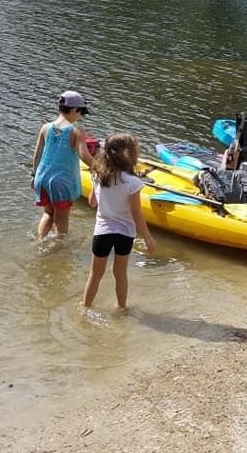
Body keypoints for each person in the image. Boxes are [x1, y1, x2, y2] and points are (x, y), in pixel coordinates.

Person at [83, 133, 155, 310]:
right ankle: (121, 308)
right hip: (124, 233)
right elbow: (136, 212)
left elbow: (92, 203)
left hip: (102, 231)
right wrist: (147, 237)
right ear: (129, 154)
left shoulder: (97, 176)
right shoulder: (132, 182)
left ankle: (85, 307)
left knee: (95, 273)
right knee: (120, 273)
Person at [32, 90, 95, 238]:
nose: (80, 117)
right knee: (62, 220)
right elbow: (84, 155)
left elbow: (37, 155)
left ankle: (40, 242)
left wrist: (34, 175)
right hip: (61, 182)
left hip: (41, 178)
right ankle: (59, 251)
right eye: (81, 113)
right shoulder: (77, 131)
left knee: (48, 213)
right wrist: (101, 168)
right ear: (75, 110)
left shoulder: (45, 127)